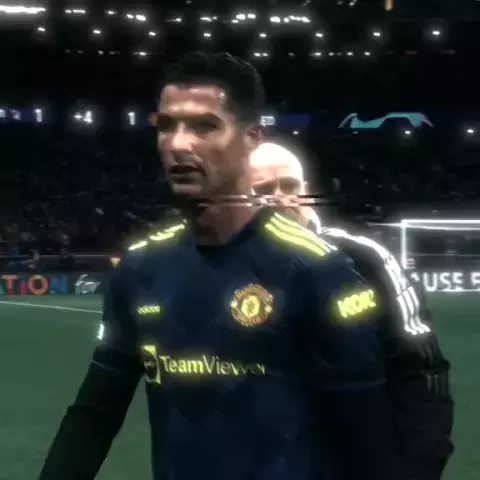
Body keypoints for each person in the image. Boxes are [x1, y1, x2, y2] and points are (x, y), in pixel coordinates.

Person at [38, 53, 402, 480]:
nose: (178, 144)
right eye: (166, 126)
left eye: (204, 126)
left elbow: (367, 443)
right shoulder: (140, 268)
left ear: (251, 139)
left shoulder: (317, 270)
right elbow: (95, 413)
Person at [250, 141, 454, 480]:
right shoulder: (224, 272)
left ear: (307, 190)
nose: (281, 198)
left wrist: (418, 467)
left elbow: (420, 371)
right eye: (263, 190)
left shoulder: (365, 260)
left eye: (289, 185)